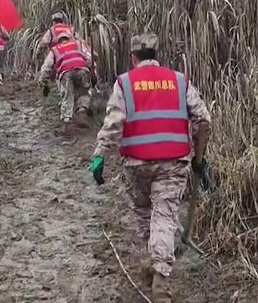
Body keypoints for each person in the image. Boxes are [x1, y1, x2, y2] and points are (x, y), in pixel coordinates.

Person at [89, 33, 211, 303]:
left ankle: (154, 264)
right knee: (164, 218)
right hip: (173, 162)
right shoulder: (179, 80)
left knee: (145, 215)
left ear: (133, 58)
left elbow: (113, 123)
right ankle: (161, 280)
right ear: (157, 56)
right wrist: (199, 156)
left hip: (136, 164)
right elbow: (202, 119)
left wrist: (100, 155)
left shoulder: (125, 82)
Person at [38, 34, 93, 133]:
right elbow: (89, 56)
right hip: (81, 69)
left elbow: (47, 66)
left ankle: (67, 122)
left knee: (67, 96)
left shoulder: (55, 49)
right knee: (83, 92)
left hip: (65, 73)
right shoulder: (78, 44)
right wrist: (90, 66)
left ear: (59, 41)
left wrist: (43, 80)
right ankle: (81, 113)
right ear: (69, 39)